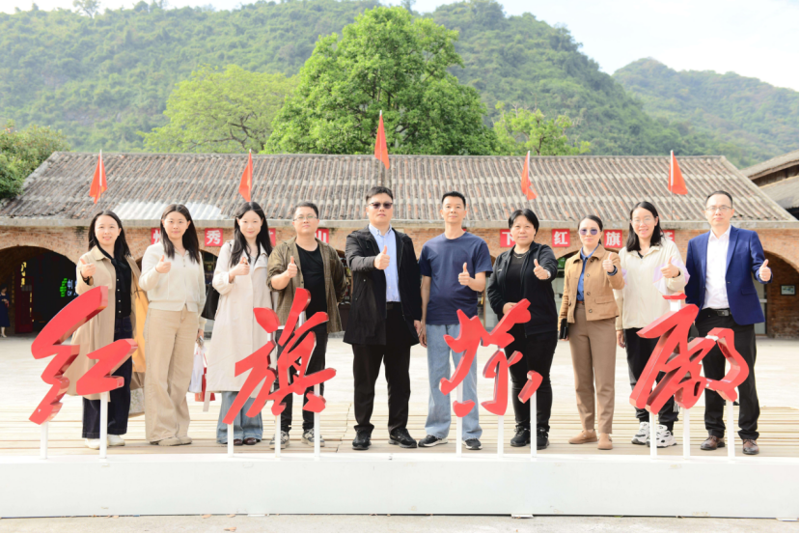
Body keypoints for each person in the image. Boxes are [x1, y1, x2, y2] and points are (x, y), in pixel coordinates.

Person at [685, 191, 771, 455]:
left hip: (739, 317)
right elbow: (691, 283)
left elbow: (758, 266)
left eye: (723, 207)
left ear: (732, 211)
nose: (718, 211)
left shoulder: (747, 237)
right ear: (705, 212)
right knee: (712, 376)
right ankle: (714, 433)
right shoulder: (696, 244)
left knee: (744, 375)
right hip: (708, 318)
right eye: (713, 207)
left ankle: (749, 435)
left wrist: (763, 274)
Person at [344, 186, 423, 451]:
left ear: (392, 209)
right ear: (367, 209)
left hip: (399, 317)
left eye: (386, 204)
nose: (381, 208)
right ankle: (362, 430)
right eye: (376, 204)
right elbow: (353, 262)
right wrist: (374, 262)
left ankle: (398, 429)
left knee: (400, 381)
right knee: (364, 380)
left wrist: (417, 316)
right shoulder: (357, 237)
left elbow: (411, 280)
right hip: (367, 318)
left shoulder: (404, 241)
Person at [267, 201, 347, 449]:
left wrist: (329, 305)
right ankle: (281, 429)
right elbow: (273, 283)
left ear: (317, 221)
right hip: (289, 324)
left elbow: (341, 283)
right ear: (293, 222)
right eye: (300, 216)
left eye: (310, 216)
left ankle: (311, 428)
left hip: (317, 324)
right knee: (284, 375)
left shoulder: (328, 252)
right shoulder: (282, 250)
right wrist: (287, 275)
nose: (305, 220)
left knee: (314, 374)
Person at [418, 191, 493, 451]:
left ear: (465, 211)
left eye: (457, 206)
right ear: (441, 212)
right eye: (448, 206)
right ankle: (437, 430)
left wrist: (468, 281)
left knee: (466, 377)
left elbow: (481, 284)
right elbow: (425, 286)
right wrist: (422, 320)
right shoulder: (430, 247)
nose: (452, 210)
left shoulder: (477, 244)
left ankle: (470, 431)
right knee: (437, 376)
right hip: (435, 320)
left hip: (465, 321)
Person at [64, 210, 146, 449]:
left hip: (124, 325)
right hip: (97, 327)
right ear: (94, 231)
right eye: (101, 227)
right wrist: (85, 277)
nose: (106, 231)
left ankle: (115, 430)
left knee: (121, 377)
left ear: (119, 231)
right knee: (95, 377)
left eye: (111, 227)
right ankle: (93, 432)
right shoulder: (87, 259)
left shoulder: (127, 261)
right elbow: (82, 291)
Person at [615, 201, 687, 448]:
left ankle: (666, 427)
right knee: (638, 377)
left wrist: (674, 274)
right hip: (633, 324)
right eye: (637, 219)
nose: (641, 224)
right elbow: (619, 293)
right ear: (631, 223)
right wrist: (619, 325)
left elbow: (680, 282)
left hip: (663, 324)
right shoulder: (624, 254)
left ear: (656, 220)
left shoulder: (667, 248)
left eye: (647, 218)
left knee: (665, 376)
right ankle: (644, 422)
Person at [486, 209, 558, 450]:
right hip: (512, 331)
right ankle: (523, 427)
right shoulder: (502, 259)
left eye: (527, 226)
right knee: (518, 379)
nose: (522, 230)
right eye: (517, 226)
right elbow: (493, 290)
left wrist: (545, 273)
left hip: (540, 328)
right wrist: (503, 306)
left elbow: (550, 267)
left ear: (535, 230)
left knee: (539, 377)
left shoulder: (542, 252)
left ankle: (541, 429)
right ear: (511, 231)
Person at [208, 202, 275, 447]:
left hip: (259, 323)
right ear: (238, 222)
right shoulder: (229, 249)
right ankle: (229, 430)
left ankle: (252, 429)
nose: (250, 226)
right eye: (245, 221)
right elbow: (217, 282)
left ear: (262, 223)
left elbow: (273, 288)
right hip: (232, 321)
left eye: (255, 221)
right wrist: (233, 272)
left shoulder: (268, 251)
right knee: (232, 374)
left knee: (256, 375)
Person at [139, 204, 206, 446]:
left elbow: (200, 290)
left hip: (189, 316)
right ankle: (161, 431)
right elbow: (144, 284)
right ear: (163, 223)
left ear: (188, 224)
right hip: (162, 314)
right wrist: (158, 270)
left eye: (180, 221)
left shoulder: (194, 254)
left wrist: (200, 322)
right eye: (171, 221)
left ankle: (178, 428)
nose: (175, 226)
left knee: (180, 375)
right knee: (158, 374)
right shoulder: (154, 251)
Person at [560, 215, 625, 450]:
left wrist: (612, 270)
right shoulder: (571, 262)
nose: (588, 234)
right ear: (578, 233)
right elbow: (567, 294)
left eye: (593, 230)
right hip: (576, 320)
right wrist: (562, 322)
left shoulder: (611, 257)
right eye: (584, 230)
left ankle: (605, 431)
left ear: (601, 233)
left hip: (603, 321)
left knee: (605, 379)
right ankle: (588, 429)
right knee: (582, 379)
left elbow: (619, 285)